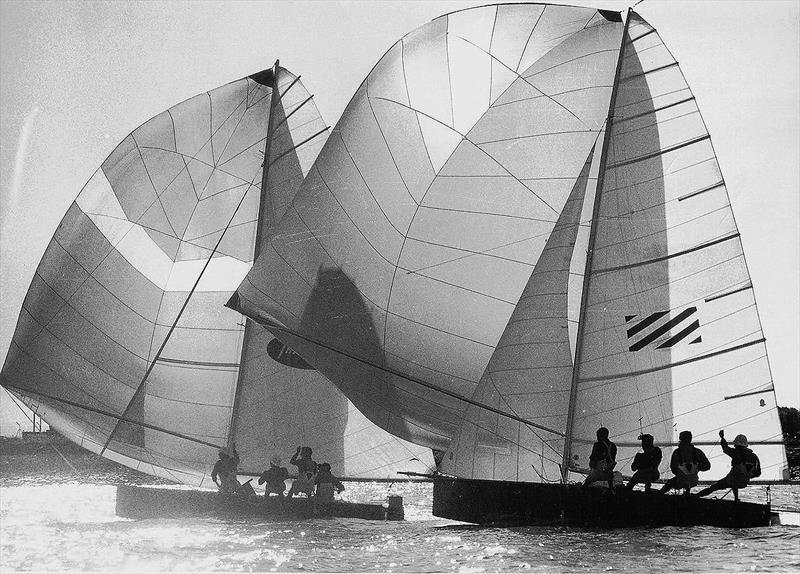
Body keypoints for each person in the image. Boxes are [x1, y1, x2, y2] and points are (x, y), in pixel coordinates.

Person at [696, 430, 761, 501]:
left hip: (731, 480)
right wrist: (748, 475)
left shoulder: (736, 452)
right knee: (734, 481)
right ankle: (736, 499)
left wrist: (722, 438)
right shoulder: (754, 457)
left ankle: (696, 496)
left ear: (736, 445)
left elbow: (725, 448)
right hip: (744, 481)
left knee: (714, 487)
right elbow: (758, 473)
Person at [659, 431, 710, 495]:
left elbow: (673, 469)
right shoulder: (698, 452)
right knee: (687, 482)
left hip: (680, 480)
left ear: (680, 439)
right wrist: (698, 468)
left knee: (669, 483)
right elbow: (708, 466)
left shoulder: (676, 452)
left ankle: (658, 495)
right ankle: (687, 492)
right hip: (694, 480)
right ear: (690, 439)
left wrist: (680, 472)